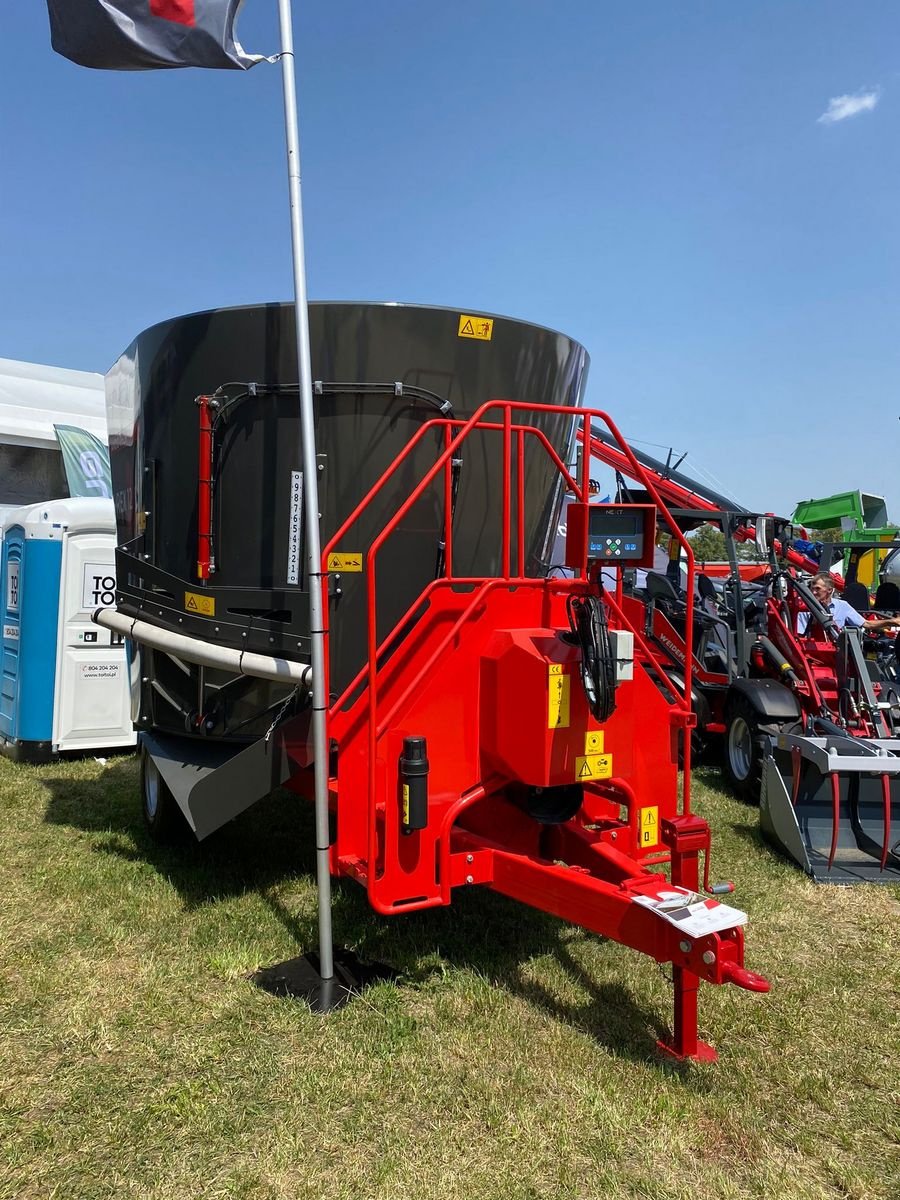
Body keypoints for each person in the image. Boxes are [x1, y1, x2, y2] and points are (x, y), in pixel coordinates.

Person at [797, 572, 899, 635]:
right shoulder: (803, 608)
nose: (814, 592)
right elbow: (799, 634)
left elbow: (867, 624)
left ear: (829, 590)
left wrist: (893, 621)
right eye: (812, 589)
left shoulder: (842, 606)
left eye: (818, 589)